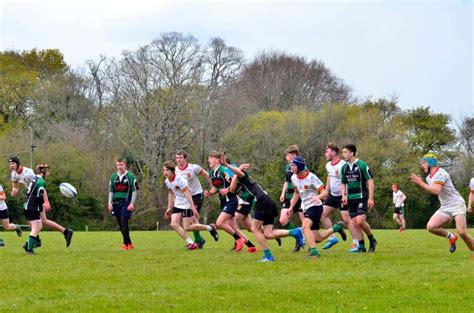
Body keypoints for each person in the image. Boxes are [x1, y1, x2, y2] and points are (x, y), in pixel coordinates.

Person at [221, 158, 305, 262]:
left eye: (226, 174)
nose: (225, 176)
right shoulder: (233, 184)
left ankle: (268, 256)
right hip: (267, 201)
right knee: (268, 234)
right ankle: (295, 232)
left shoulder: (243, 178)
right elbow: (232, 189)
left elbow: (239, 173)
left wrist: (230, 167)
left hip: (261, 201)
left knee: (254, 229)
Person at [410, 154, 474, 254]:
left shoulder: (441, 174)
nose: (422, 165)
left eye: (424, 163)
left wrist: (420, 183)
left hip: (457, 204)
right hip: (445, 207)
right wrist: (423, 183)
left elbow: (436, 191)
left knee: (462, 232)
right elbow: (434, 190)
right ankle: (452, 237)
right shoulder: (428, 178)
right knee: (431, 227)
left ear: (431, 163)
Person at [287, 156, 347, 259]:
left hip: (315, 207)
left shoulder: (311, 177)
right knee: (317, 238)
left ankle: (314, 253)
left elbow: (324, 192)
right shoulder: (293, 178)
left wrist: (318, 197)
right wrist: (291, 207)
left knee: (305, 226)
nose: (291, 167)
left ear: (300, 166)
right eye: (291, 165)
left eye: (293, 165)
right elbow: (297, 192)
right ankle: (336, 228)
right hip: (306, 207)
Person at [9, 156, 73, 247]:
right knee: (39, 221)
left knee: (38, 221)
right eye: (10, 164)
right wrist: (14, 190)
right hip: (32, 197)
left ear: (18, 163)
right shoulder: (14, 174)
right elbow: (15, 185)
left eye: (13, 163)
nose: (11, 166)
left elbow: (40, 187)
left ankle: (36, 240)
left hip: (37, 197)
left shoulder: (29, 172)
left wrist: (46, 201)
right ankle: (64, 232)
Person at [163, 161, 219, 249]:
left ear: (172, 171)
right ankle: (191, 243)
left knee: (187, 227)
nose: (165, 172)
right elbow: (170, 193)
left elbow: (187, 194)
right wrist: (169, 208)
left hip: (186, 204)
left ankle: (210, 227)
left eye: (167, 170)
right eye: (164, 170)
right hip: (178, 204)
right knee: (173, 224)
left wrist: (193, 208)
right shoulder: (167, 181)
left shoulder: (180, 180)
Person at [204, 151, 249, 252]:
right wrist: (210, 193)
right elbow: (216, 188)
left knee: (219, 223)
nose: (208, 160)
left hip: (231, 200)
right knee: (233, 227)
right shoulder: (212, 173)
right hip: (223, 201)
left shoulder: (224, 169)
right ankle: (251, 246)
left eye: (210, 158)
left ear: (217, 160)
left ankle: (239, 239)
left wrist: (228, 189)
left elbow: (236, 180)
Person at [320, 143, 358, 251]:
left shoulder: (343, 165)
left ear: (333, 152)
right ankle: (332, 238)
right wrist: (326, 191)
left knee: (346, 219)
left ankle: (356, 243)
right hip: (333, 195)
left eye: (327, 151)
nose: (325, 154)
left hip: (343, 195)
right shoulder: (328, 165)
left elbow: (348, 181)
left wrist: (345, 195)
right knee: (322, 215)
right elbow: (329, 177)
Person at [340, 144, 377, 253]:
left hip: (361, 197)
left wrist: (371, 198)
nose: (343, 154)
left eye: (345, 152)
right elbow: (343, 183)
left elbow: (370, 181)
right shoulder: (344, 167)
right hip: (350, 199)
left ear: (352, 153)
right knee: (354, 223)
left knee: (360, 221)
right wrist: (344, 195)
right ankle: (361, 247)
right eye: (343, 152)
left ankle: (372, 239)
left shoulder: (362, 165)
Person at [175, 150, 212, 249]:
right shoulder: (175, 171)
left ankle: (198, 240)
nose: (178, 160)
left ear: (185, 158)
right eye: (177, 158)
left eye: (181, 158)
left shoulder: (193, 168)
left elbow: (207, 175)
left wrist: (210, 187)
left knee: (192, 218)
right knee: (192, 220)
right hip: (185, 197)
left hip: (196, 194)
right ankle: (199, 240)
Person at [279, 145, 305, 252]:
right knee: (283, 220)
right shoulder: (287, 167)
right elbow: (287, 181)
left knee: (305, 222)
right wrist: (282, 193)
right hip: (289, 196)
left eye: (288, 155)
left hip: (300, 196)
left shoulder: (302, 165)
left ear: (294, 155)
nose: (286, 157)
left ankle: (311, 245)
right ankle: (298, 237)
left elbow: (304, 180)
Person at [108, 158, 138, 250]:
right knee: (120, 224)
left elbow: (134, 190)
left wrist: (132, 203)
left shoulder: (131, 176)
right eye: (118, 165)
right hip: (116, 203)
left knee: (123, 221)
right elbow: (111, 191)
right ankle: (129, 244)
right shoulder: (113, 177)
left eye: (121, 165)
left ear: (125, 165)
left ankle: (125, 244)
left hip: (126, 202)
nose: (120, 167)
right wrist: (109, 202)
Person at [23, 164, 50, 254]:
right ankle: (29, 249)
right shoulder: (41, 182)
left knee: (39, 226)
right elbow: (39, 197)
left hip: (27, 206)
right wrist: (44, 205)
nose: (48, 173)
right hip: (32, 206)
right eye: (47, 171)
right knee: (36, 227)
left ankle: (27, 244)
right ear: (43, 172)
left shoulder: (34, 179)